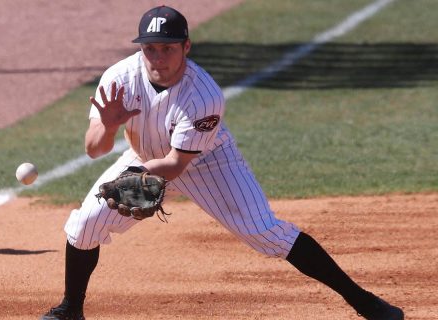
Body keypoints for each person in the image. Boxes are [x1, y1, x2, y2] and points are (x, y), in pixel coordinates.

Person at [40, 5, 404, 320]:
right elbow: (93, 149)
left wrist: (138, 174)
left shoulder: (204, 95)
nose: (158, 58)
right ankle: (71, 308)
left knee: (265, 232)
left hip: (208, 162)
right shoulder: (119, 79)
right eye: (150, 49)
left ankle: (366, 303)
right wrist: (109, 124)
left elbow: (176, 165)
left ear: (186, 47)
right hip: (144, 156)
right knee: (85, 226)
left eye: (168, 48)